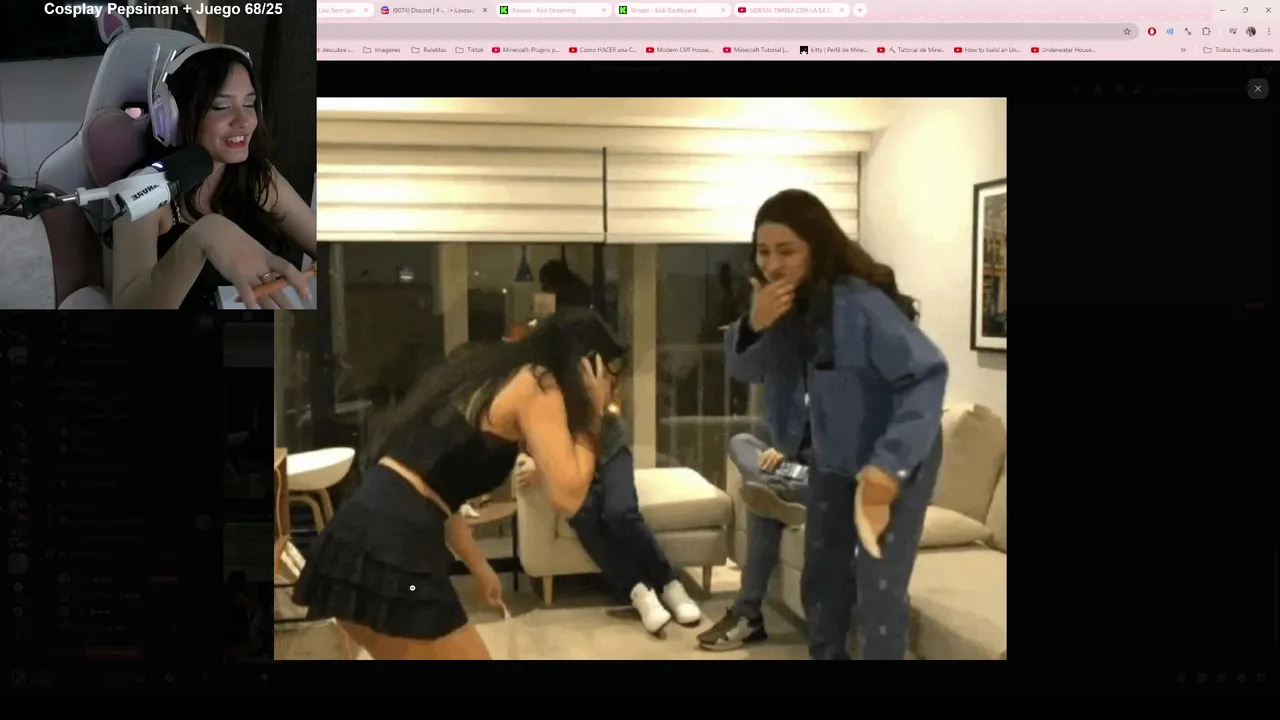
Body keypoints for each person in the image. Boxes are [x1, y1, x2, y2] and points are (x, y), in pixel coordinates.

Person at [292, 307, 627, 660]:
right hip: (394, 550)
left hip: (354, 539)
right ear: (586, 366)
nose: (611, 389)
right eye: (609, 376)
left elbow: (432, 487)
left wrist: (478, 565)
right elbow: (568, 495)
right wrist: (593, 414)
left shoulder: (487, 375)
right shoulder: (537, 384)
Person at [724, 189, 948, 661]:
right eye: (763, 252)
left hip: (897, 456)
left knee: (877, 588)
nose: (772, 265)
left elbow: (927, 374)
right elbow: (745, 368)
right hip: (832, 455)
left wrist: (887, 469)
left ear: (815, 248)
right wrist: (753, 324)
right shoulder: (783, 306)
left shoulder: (859, 303)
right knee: (822, 577)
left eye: (786, 251)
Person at [110, 44, 315, 310]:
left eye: (249, 104)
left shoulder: (257, 175)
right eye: (221, 106)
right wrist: (202, 237)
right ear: (173, 115)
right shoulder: (144, 190)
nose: (244, 121)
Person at [515, 413, 702, 636]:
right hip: (566, 461)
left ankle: (669, 582)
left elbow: (597, 407)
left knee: (619, 511)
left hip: (607, 447)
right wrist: (535, 458)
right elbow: (528, 424)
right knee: (582, 514)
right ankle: (638, 589)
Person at [697, 431, 810, 651]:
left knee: (761, 502)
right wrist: (782, 449)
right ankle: (775, 493)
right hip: (790, 471)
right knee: (741, 441)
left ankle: (748, 614)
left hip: (816, 478)